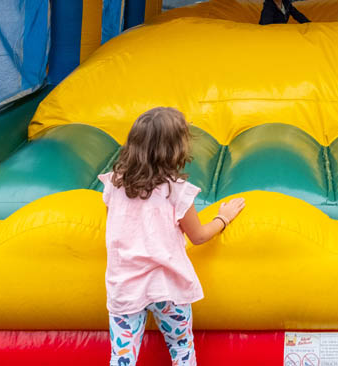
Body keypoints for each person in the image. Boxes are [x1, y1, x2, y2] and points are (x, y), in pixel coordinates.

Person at [100, 107, 245, 366]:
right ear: (175, 150)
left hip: (125, 287)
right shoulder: (176, 191)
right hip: (167, 287)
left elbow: (117, 220)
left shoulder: (114, 184)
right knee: (181, 347)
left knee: (122, 357)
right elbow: (198, 236)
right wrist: (223, 219)